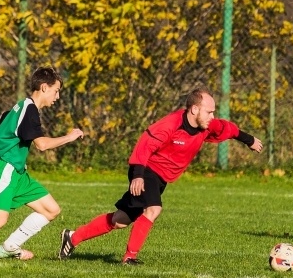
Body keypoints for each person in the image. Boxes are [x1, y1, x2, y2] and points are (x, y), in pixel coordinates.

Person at [58, 88, 263, 265]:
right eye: (209, 111)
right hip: (146, 170)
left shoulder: (207, 125)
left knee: (121, 220)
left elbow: (229, 129)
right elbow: (144, 147)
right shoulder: (170, 125)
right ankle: (129, 257)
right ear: (194, 109)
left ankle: (73, 237)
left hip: (160, 177)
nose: (212, 116)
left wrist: (249, 139)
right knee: (153, 209)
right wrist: (138, 176)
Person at [0, 67, 84, 263]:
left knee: (51, 209)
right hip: (4, 169)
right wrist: (69, 137)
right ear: (44, 87)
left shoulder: (25, 107)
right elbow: (42, 145)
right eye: (56, 90)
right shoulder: (29, 110)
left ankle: (9, 247)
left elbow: (4, 122)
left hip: (16, 172)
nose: (58, 96)